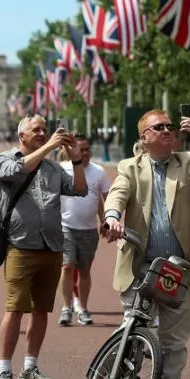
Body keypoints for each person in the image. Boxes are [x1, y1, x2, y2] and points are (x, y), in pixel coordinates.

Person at [103, 109, 190, 379]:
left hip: (178, 270)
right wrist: (113, 216)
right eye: (160, 127)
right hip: (140, 267)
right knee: (132, 336)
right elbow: (118, 193)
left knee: (174, 344)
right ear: (144, 136)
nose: (168, 131)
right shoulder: (130, 166)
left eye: (171, 127)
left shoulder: (186, 161)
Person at [0, 115, 86, 379]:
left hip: (52, 246)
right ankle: (4, 371)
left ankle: (30, 368)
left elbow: (80, 189)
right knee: (15, 309)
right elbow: (15, 171)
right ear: (22, 135)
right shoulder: (3, 159)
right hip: (20, 246)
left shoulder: (54, 168)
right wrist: (49, 147)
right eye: (37, 130)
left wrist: (76, 160)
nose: (43, 133)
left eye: (45, 130)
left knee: (42, 310)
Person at [58, 135, 111, 327]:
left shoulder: (99, 172)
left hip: (88, 230)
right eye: (81, 149)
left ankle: (83, 307)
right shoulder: (62, 169)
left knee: (85, 270)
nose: (85, 153)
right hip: (65, 227)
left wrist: (106, 220)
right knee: (67, 266)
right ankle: (66, 307)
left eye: (88, 149)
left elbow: (106, 198)